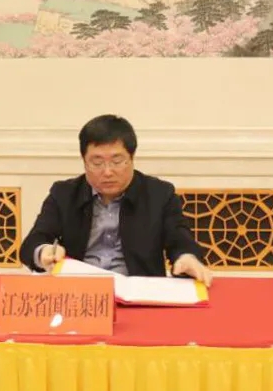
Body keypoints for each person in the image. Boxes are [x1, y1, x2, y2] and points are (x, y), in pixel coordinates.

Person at [19, 114, 213, 286]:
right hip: (79, 292)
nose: (107, 172)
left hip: (139, 293)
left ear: (132, 157)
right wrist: (43, 252)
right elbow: (32, 243)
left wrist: (186, 258)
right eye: (97, 162)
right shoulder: (64, 194)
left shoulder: (160, 194)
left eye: (117, 161)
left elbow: (180, 239)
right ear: (84, 161)